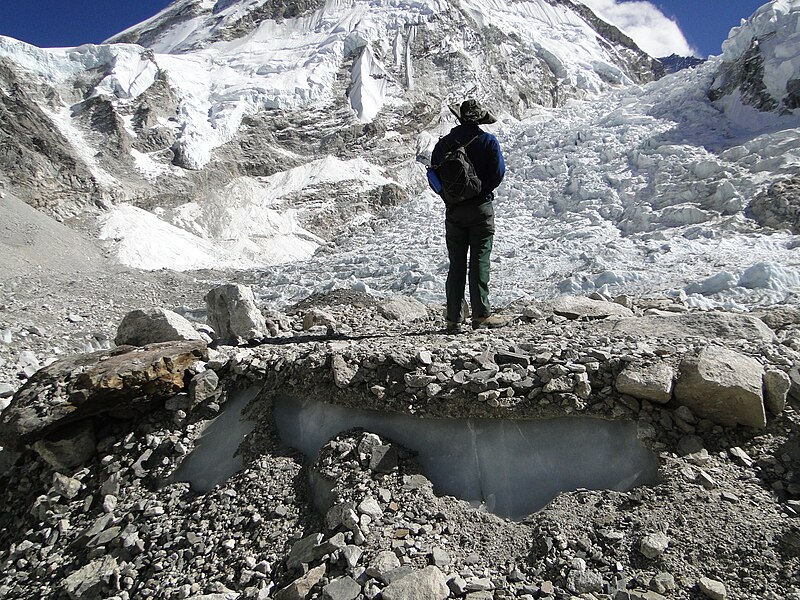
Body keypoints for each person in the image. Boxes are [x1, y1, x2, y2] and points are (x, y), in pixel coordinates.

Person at [430, 99, 506, 331]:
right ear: (480, 119)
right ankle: (481, 315)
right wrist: (480, 190)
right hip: (481, 209)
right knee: (479, 260)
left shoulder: (443, 145)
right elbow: (498, 174)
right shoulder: (487, 141)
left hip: (454, 211)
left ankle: (453, 317)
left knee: (456, 264)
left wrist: (449, 197)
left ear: (459, 117)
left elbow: (434, 176)